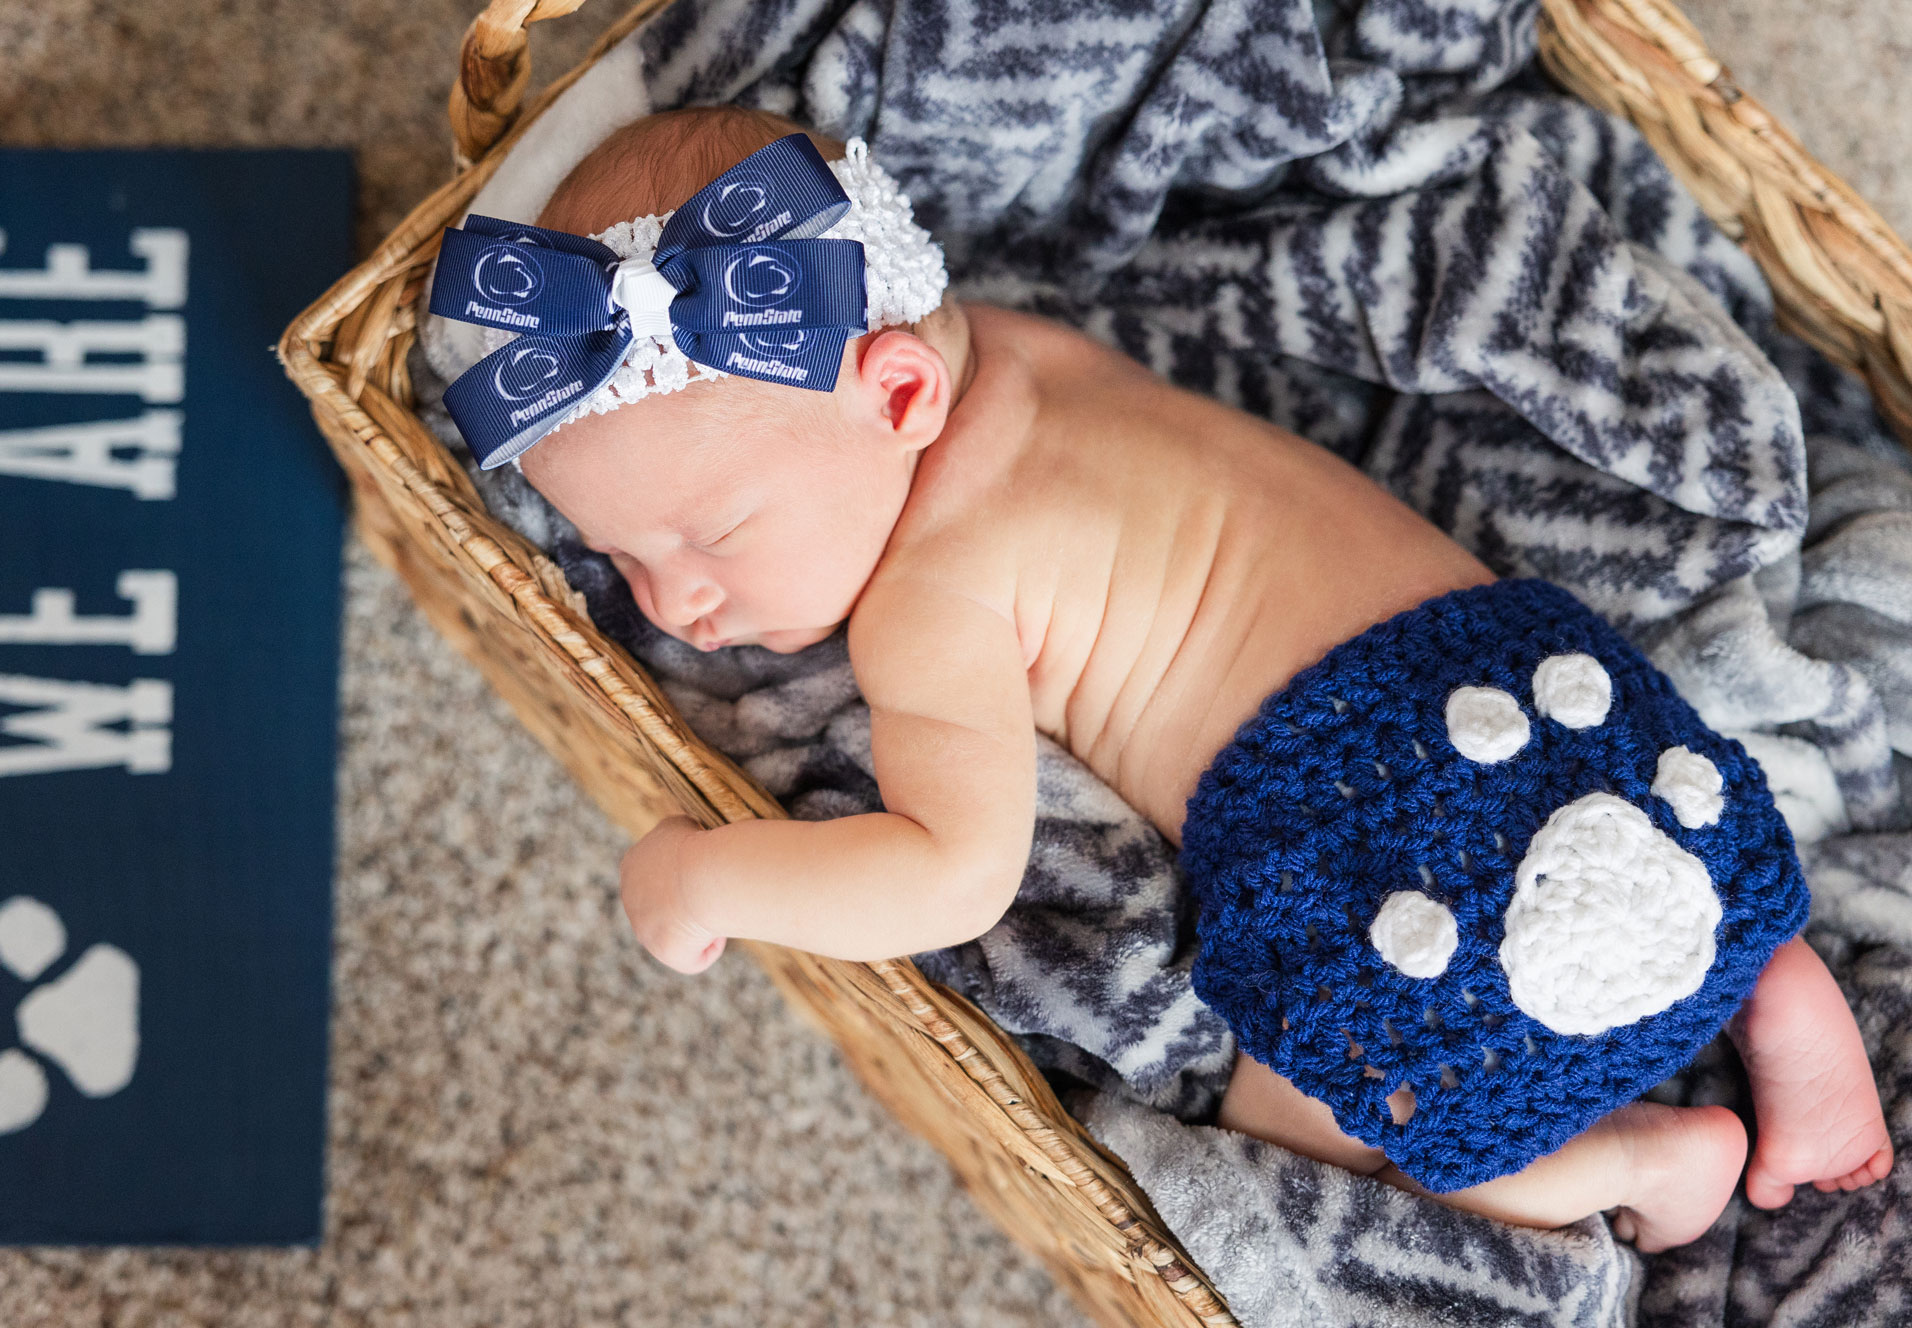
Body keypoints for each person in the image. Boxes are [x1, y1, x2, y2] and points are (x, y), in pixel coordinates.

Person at [431, 105, 1892, 1250]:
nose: (678, 601)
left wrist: (711, 879)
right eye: (626, 564)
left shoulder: (932, 599)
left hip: (1368, 814)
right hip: (1526, 671)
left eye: (711, 538)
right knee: (1648, 852)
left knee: (1299, 1140)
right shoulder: (1029, 355)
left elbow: (950, 879)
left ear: (899, 394)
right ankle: (1782, 994)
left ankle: (1636, 1162)